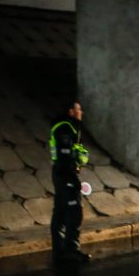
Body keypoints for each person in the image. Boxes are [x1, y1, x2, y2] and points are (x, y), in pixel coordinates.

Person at [50, 100, 90, 263]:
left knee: (60, 211)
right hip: (65, 173)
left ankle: (59, 251)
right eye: (78, 109)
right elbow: (66, 154)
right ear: (70, 111)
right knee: (74, 213)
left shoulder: (68, 126)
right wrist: (73, 179)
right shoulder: (65, 128)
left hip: (61, 173)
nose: (81, 112)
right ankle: (71, 250)